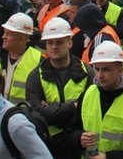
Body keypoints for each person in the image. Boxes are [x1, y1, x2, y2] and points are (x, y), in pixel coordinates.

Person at [69, 40, 123, 157]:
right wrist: (79, 138)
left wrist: (108, 157)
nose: (100, 75)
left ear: (120, 70)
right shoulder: (86, 95)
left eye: (106, 69)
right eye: (97, 69)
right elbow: (73, 129)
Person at [26, 17, 93, 159]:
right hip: (49, 145)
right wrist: (73, 107)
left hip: (78, 144)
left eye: (59, 42)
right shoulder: (36, 76)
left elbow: (90, 110)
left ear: (70, 42)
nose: (54, 47)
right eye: (50, 43)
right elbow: (38, 114)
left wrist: (51, 108)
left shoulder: (86, 72)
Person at [0, 13, 43, 104]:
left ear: (21, 39)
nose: (3, 37)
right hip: (0, 112)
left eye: (8, 34)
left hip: (25, 115)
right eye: (4, 32)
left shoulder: (39, 60)